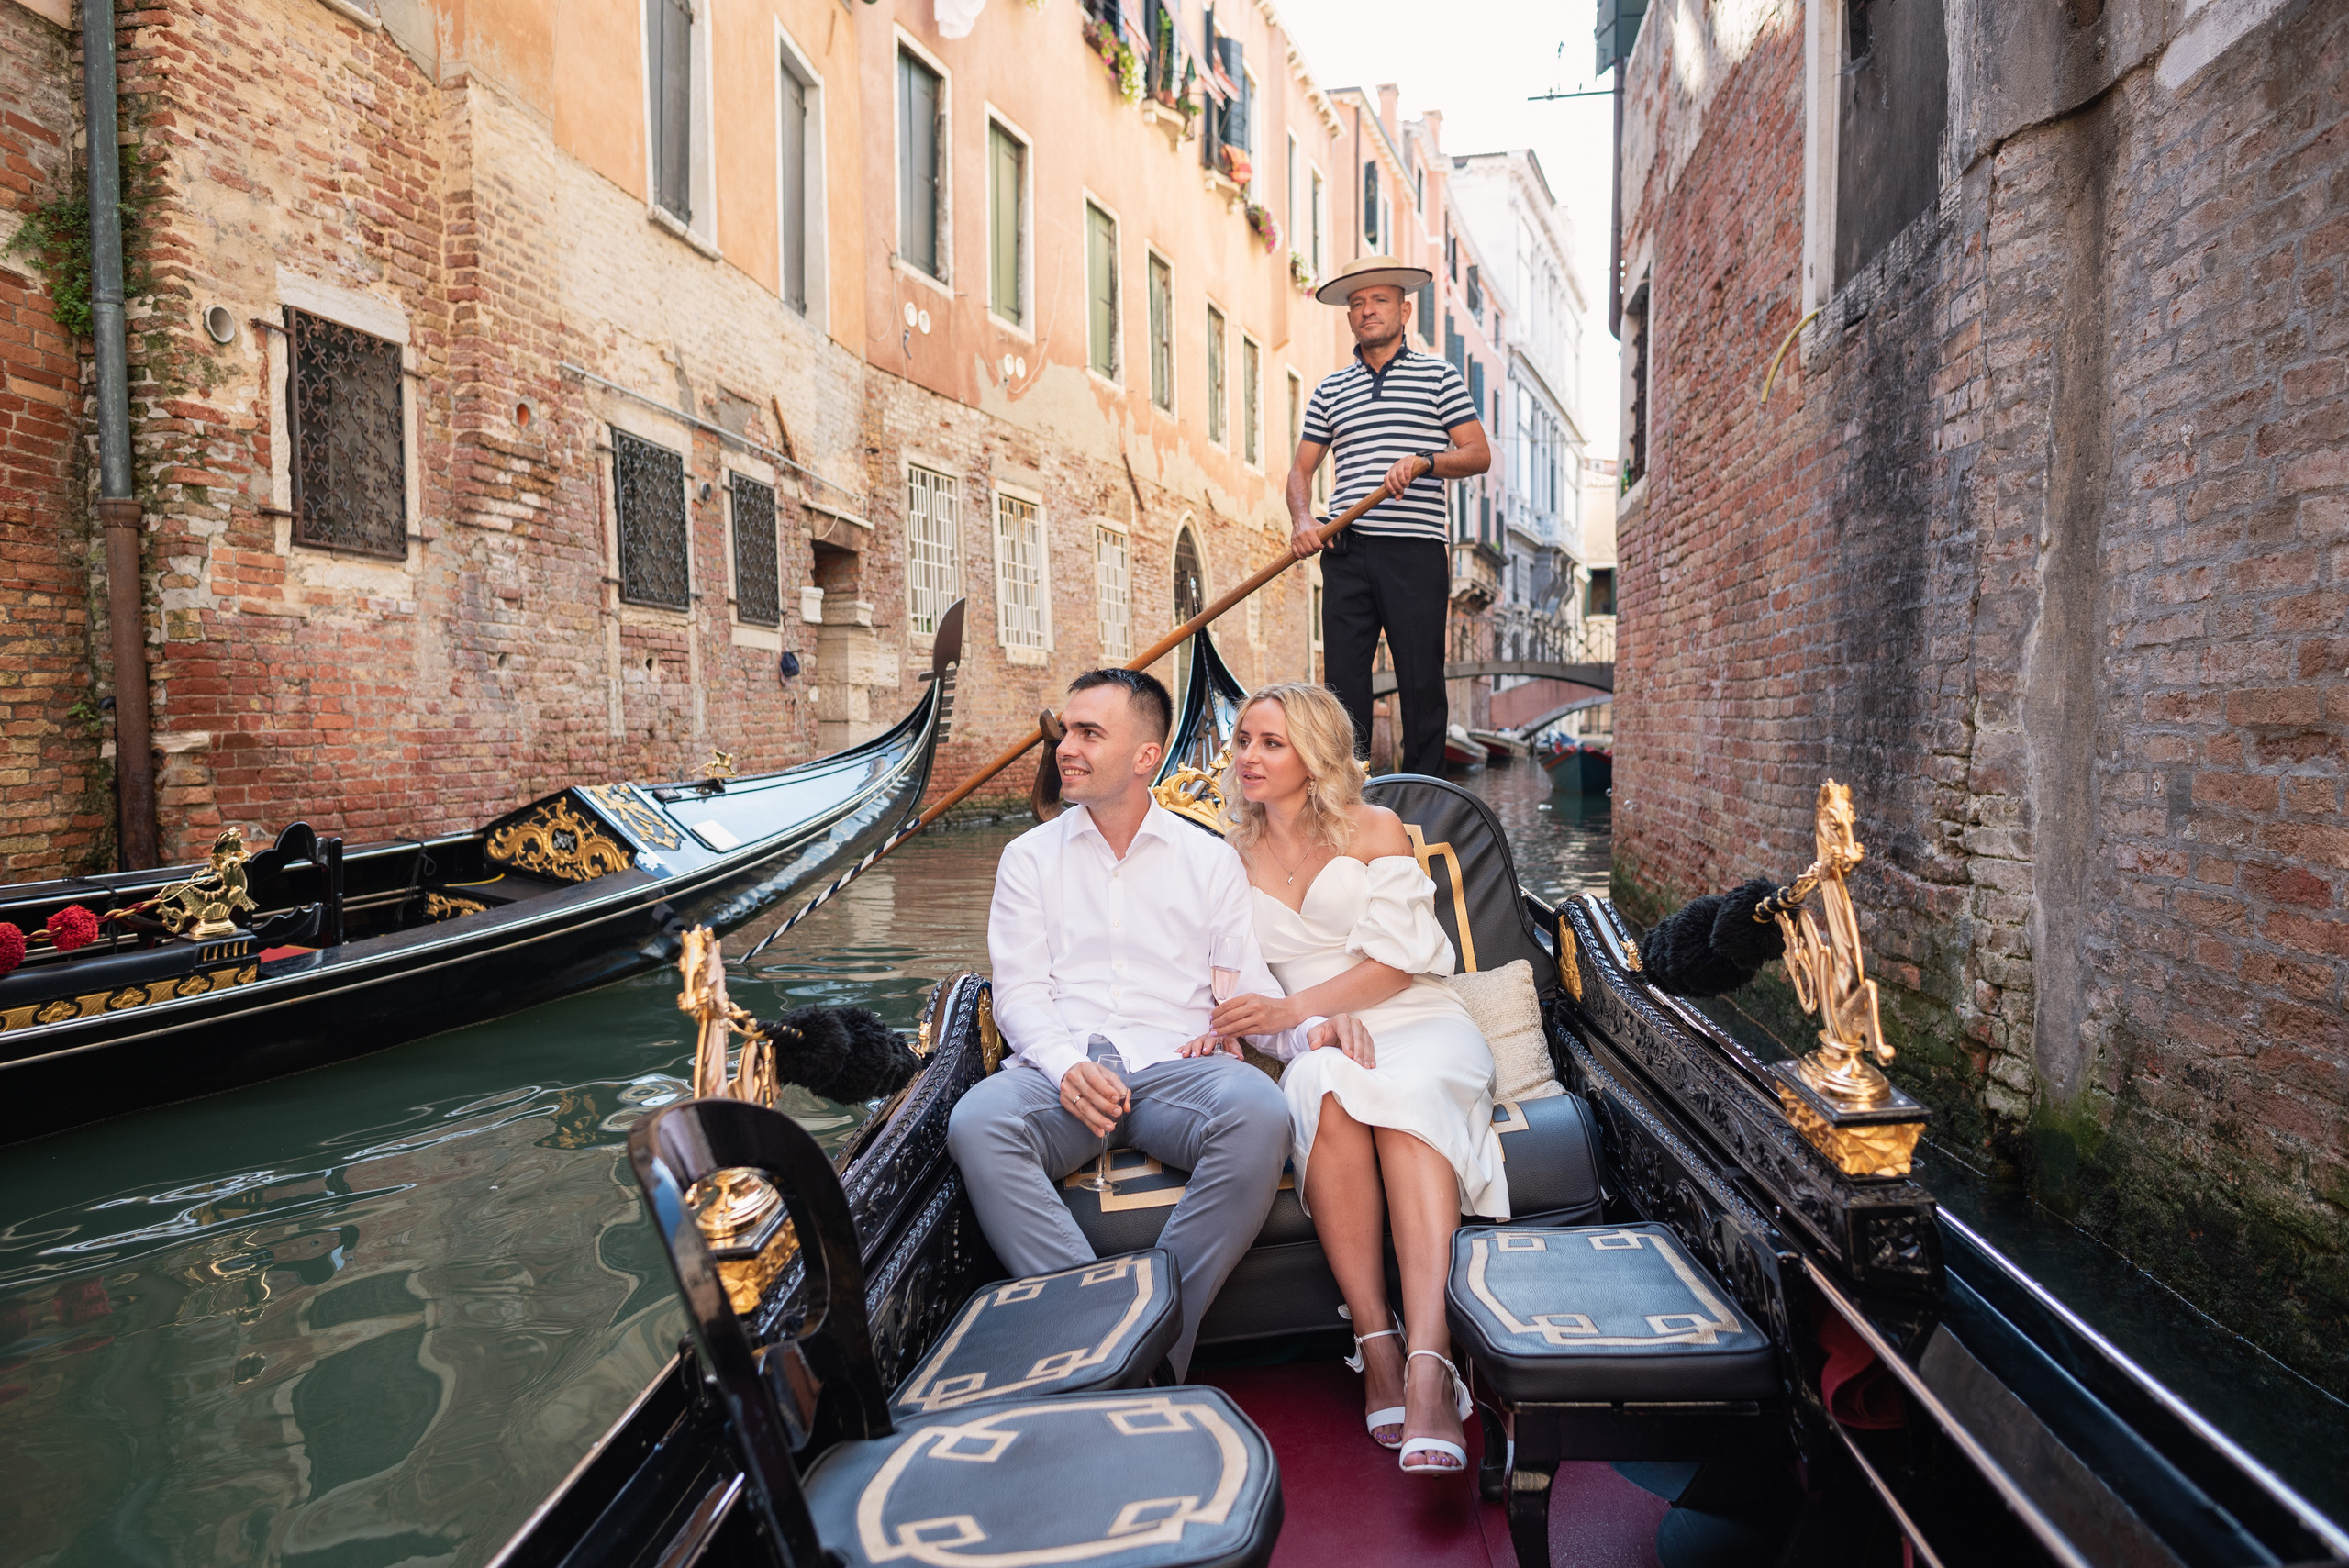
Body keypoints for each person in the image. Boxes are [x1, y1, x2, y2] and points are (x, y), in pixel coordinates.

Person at [948, 667, 1361, 1375]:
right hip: (1065, 1074)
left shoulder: (1209, 860)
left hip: (1177, 1070)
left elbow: (1247, 988)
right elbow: (1019, 992)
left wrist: (1308, 1029)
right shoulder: (1027, 859)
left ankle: (1150, 1337)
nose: (1063, 749)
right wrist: (1064, 1064)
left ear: (1145, 756)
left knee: (1260, 1111)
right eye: (1064, 732)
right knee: (976, 1124)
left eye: (1087, 733)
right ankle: (1104, 1331)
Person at [1189, 681, 1508, 1476]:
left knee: (1410, 1094)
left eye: (1272, 742)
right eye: (1244, 742)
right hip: (1314, 1034)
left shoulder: (1375, 828)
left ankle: (1431, 1361)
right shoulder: (1225, 857)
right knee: (1319, 1083)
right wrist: (1286, 1024)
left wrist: (1301, 1001)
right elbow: (1232, 983)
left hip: (1416, 1016)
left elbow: (1398, 961)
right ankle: (1378, 1343)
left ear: (1316, 755)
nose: (1249, 758)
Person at [1286, 254, 1492, 776]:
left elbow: (1477, 453)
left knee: (1421, 680)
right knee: (1344, 686)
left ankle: (1424, 793)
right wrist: (1304, 521)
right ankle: (1347, 795)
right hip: (1346, 547)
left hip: (1415, 551)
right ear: (1350, 318)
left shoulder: (1439, 378)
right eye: (1357, 304)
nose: (1366, 311)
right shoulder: (1329, 390)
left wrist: (1426, 461)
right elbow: (1300, 472)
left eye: (1378, 300)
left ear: (1404, 310)